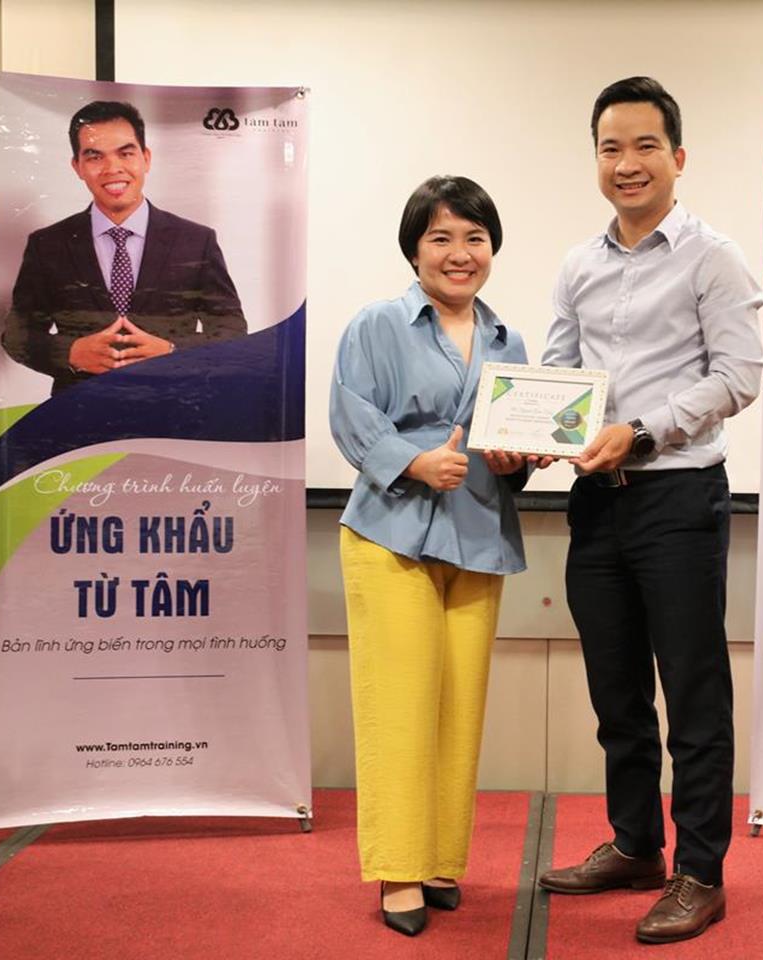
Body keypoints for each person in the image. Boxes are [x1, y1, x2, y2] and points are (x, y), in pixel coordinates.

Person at [537, 77, 763, 945]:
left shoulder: (713, 257)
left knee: (694, 694)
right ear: (596, 158)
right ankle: (636, 845)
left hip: (677, 497)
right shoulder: (578, 265)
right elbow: (560, 376)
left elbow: (737, 377)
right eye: (610, 148)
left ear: (677, 156)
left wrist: (641, 430)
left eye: (643, 146)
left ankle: (700, 871)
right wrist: (532, 433)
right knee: (616, 692)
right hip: (596, 501)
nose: (626, 164)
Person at [330, 176, 535, 938]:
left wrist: (517, 459)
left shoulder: (510, 341)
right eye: (441, 238)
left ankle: (442, 860)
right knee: (400, 707)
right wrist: (413, 462)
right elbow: (350, 413)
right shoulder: (377, 324)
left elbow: (518, 443)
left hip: (478, 533)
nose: (460, 253)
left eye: (474, 238)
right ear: (414, 249)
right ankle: (398, 869)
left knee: (458, 707)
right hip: (392, 534)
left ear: (492, 248)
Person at [0, 100, 246, 396]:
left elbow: (232, 329)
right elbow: (16, 335)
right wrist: (71, 352)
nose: (112, 169)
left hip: (174, 410)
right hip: (78, 413)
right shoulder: (48, 245)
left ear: (146, 158)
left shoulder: (196, 241)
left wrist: (172, 352)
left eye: (125, 153)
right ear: (77, 166)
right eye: (95, 157)